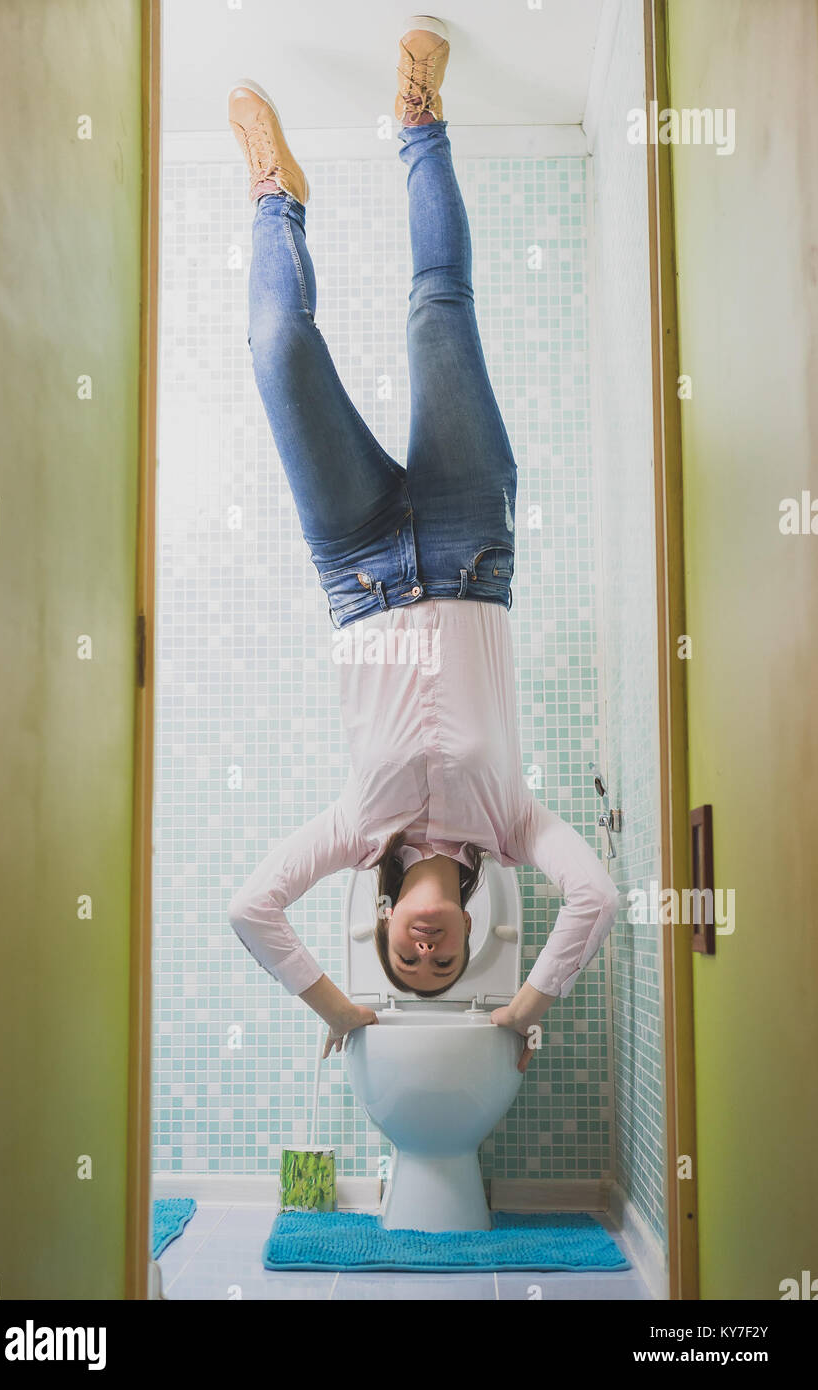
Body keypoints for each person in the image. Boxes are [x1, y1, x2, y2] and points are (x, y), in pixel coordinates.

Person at [226, 17, 620, 1072]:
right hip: (468, 541)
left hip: (353, 566)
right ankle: (417, 119)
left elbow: (249, 907)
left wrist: (340, 1014)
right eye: (445, 969)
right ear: (471, 936)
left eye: (412, 967)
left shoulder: (353, 829)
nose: (429, 955)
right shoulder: (516, 823)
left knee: (276, 348)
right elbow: (597, 896)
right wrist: (521, 1009)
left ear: (387, 927)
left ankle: (274, 198)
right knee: (435, 309)